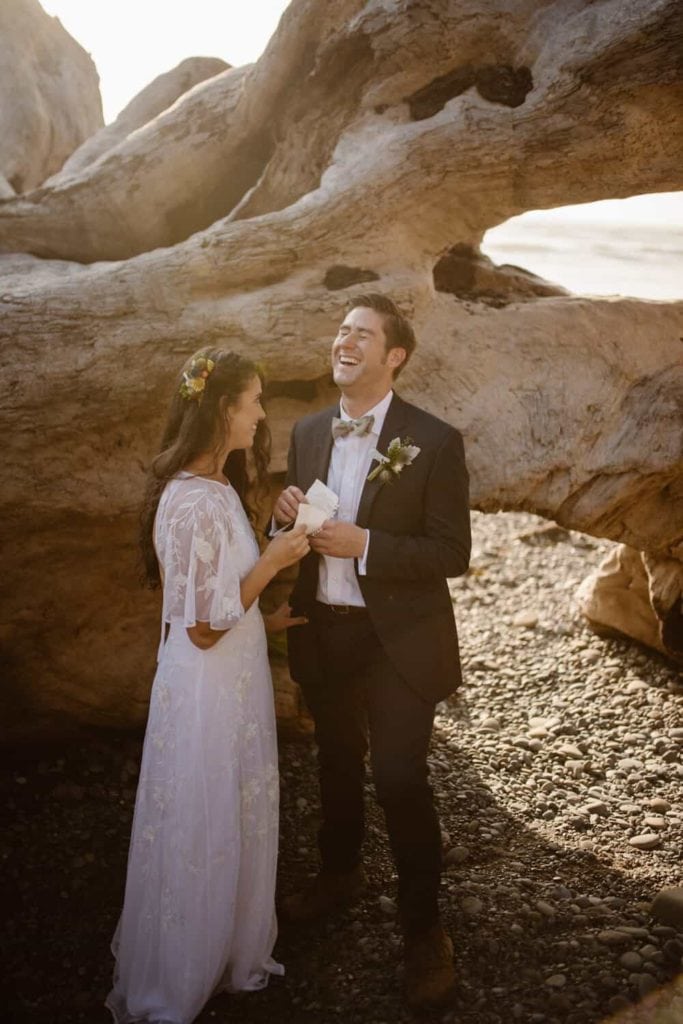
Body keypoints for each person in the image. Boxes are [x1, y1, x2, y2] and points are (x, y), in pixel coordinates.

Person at [273, 294, 471, 1011]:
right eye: (341, 331)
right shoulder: (304, 430)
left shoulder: (434, 439)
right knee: (332, 761)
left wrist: (369, 546)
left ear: (395, 357)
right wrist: (282, 514)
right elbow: (293, 524)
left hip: (398, 639)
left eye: (363, 334)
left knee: (396, 777)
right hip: (324, 628)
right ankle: (339, 875)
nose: (345, 341)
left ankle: (423, 931)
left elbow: (453, 551)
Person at [106, 349, 310, 1024]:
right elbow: (199, 626)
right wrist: (276, 559)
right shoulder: (193, 499)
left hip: (230, 678)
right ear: (221, 408)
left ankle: (221, 951)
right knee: (204, 814)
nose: (259, 414)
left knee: (231, 805)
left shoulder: (219, 488)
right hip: (205, 686)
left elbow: (223, 596)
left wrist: (268, 610)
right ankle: (180, 976)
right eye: (252, 400)